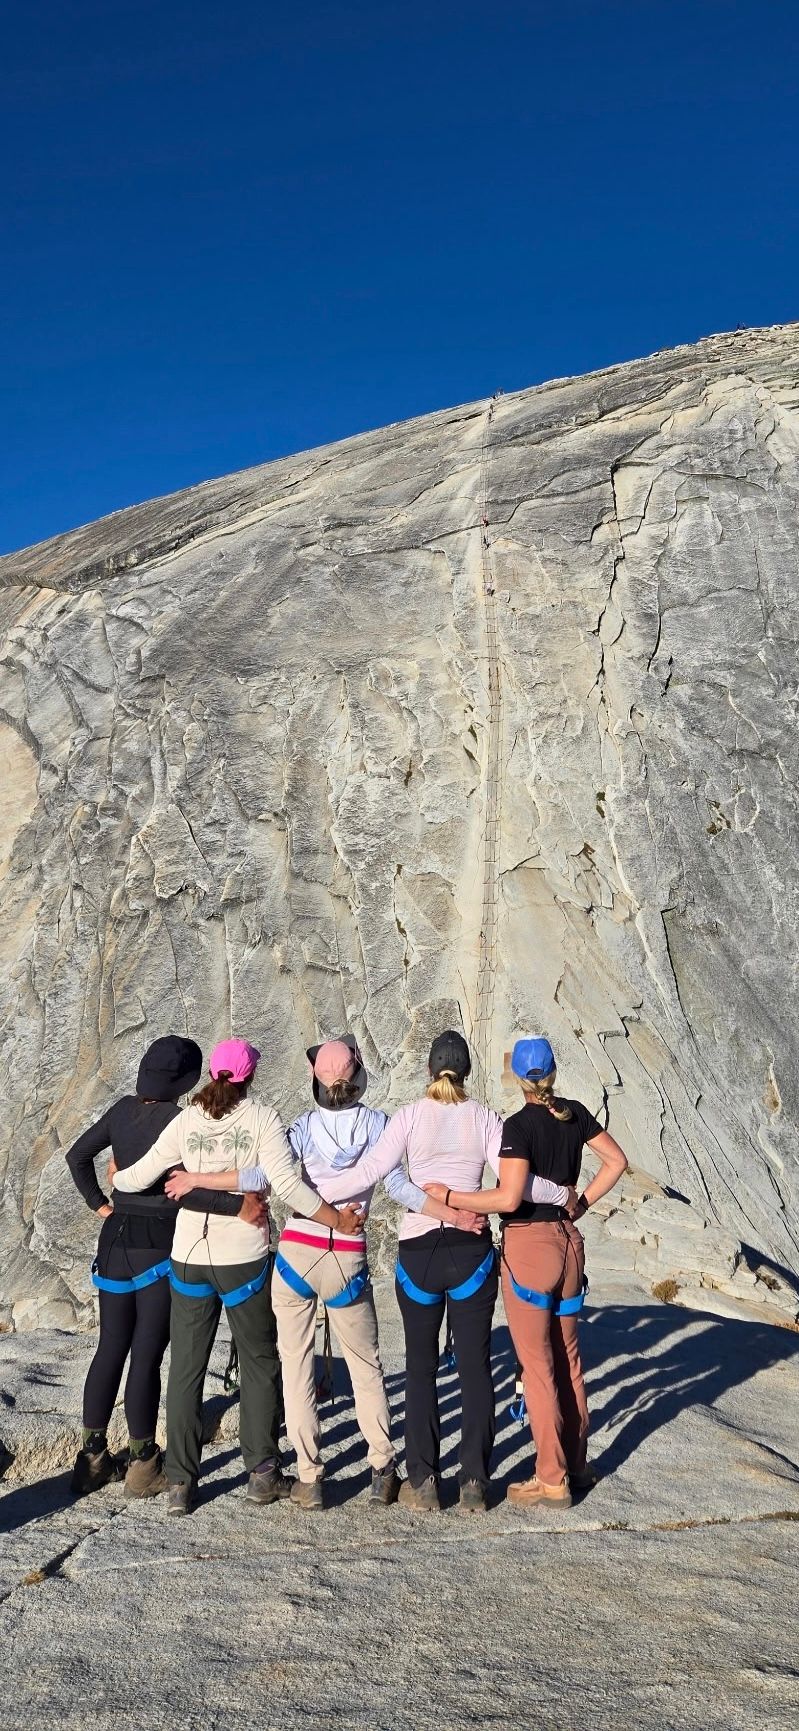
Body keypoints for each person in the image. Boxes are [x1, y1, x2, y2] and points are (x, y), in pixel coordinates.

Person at [166, 1035, 479, 1510]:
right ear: (356, 1079)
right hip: (346, 1255)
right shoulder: (379, 1125)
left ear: (316, 1079)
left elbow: (260, 1177)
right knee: (365, 1365)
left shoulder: (299, 1128)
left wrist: (198, 1177)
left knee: (295, 1365)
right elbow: (399, 1186)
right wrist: (453, 1213)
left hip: (295, 1253)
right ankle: (380, 1468)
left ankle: (310, 1477)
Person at [320, 1031, 569, 1513]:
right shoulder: (484, 1118)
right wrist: (563, 1195)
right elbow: (520, 1183)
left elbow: (370, 1172)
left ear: (430, 1071)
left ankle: (424, 1480)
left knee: (420, 1368)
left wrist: (315, 1199)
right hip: (471, 1251)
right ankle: (474, 1481)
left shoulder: (409, 1116)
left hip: (418, 1252)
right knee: (475, 1367)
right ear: (468, 1071)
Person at [112, 1037, 362, 1516]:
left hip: (187, 1253)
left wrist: (117, 1175)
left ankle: (182, 1484)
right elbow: (285, 1184)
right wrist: (335, 1220)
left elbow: (137, 1178)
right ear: (250, 1075)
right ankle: (263, 1473)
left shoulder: (186, 1119)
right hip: (242, 1255)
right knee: (258, 1359)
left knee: (186, 1367)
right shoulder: (262, 1118)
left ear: (213, 1072)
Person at [424, 1036, 628, 1508]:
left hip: (530, 1247)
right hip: (568, 1243)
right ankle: (577, 1465)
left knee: (537, 1368)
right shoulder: (573, 1112)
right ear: (553, 1071)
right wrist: (581, 1203)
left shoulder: (518, 1126)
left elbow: (508, 1199)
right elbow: (615, 1162)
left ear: (519, 1077)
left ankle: (550, 1478)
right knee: (569, 1361)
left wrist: (449, 1198)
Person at [65, 1035, 263, 1498]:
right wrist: (235, 1207)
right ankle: (141, 1462)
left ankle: (91, 1458)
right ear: (186, 1080)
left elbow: (76, 1156)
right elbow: (182, 1189)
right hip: (158, 1247)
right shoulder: (180, 1120)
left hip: (114, 1240)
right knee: (147, 1352)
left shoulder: (120, 1110)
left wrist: (101, 1204)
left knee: (110, 1346)